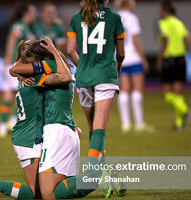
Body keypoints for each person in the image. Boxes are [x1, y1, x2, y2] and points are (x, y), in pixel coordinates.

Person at [0, 38, 80, 200]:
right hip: (27, 137)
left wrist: (19, 71)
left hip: (40, 133)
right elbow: (15, 69)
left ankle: (97, 178)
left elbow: (14, 69)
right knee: (38, 194)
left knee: (49, 191)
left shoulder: (33, 72)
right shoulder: (38, 75)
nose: (28, 65)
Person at [67, 0, 126, 197]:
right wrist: (115, 71)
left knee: (93, 130)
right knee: (99, 130)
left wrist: (82, 66)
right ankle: (94, 175)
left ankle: (107, 175)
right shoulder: (115, 18)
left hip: (84, 78)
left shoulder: (76, 18)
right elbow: (121, 53)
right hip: (105, 76)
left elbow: (69, 51)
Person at [0, 2, 37, 137]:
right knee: (23, 93)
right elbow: (11, 39)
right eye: (32, 12)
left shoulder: (26, 27)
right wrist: (8, 58)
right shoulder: (19, 25)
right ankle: (12, 121)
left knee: (9, 94)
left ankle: (3, 126)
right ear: (27, 13)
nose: (34, 14)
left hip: (15, 64)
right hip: (15, 64)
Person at [117, 0, 153, 133]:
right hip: (134, 57)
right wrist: (144, 59)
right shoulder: (132, 18)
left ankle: (125, 125)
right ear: (129, 3)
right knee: (137, 90)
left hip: (121, 58)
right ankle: (139, 124)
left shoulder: (115, 16)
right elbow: (135, 40)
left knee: (124, 90)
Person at [156, 0, 191, 131]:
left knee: (165, 93)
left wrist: (160, 58)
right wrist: (182, 51)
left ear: (165, 11)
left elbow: (165, 40)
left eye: (160, 10)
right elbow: (189, 41)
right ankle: (179, 124)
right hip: (181, 59)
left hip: (170, 59)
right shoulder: (179, 22)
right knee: (178, 92)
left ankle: (185, 110)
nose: (159, 12)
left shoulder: (163, 23)